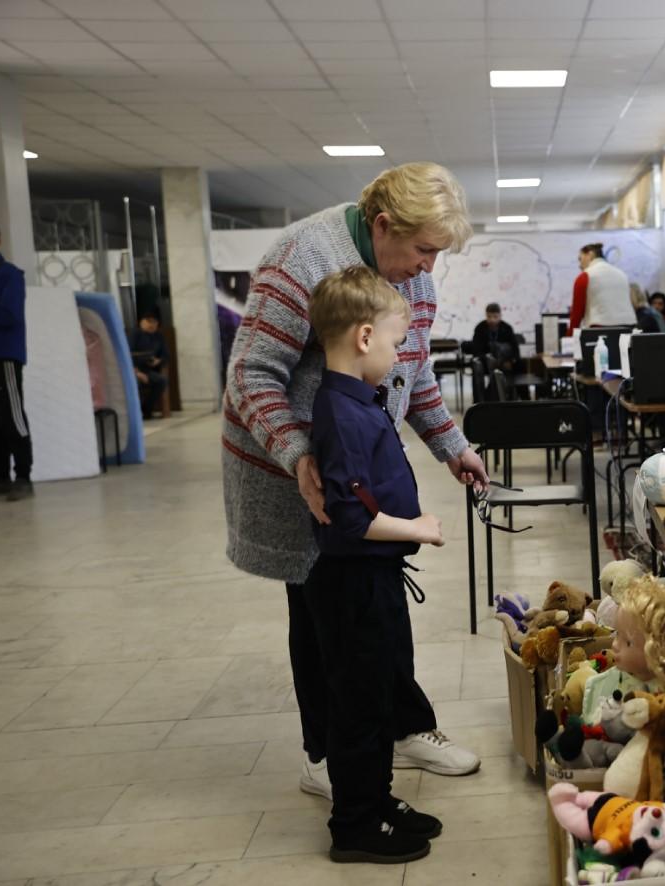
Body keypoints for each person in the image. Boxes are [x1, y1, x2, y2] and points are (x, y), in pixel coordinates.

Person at [222, 163, 489, 804]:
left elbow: (411, 369)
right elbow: (251, 375)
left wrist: (452, 444)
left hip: (359, 463)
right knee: (323, 615)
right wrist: (298, 458)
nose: (427, 268)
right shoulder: (302, 258)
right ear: (382, 225)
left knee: (377, 604)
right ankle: (327, 751)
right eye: (423, 249)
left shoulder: (409, 280)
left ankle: (403, 727)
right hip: (293, 466)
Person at [304, 266, 444, 864]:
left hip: (375, 578)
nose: (395, 356)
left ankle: (376, 798)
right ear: (364, 339)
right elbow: (351, 517)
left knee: (379, 695)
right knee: (359, 706)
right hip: (353, 582)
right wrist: (418, 528)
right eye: (392, 343)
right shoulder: (340, 413)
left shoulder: (358, 402)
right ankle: (354, 826)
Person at [0, 220, 32, 501]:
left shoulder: (8, 274)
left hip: (4, 355)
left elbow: (10, 315)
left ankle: (22, 476)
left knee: (11, 416)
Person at [568, 242, 635, 333]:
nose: (579, 265)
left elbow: (577, 313)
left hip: (600, 329)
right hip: (629, 328)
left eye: (580, 259)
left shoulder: (585, 276)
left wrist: (569, 338)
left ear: (590, 255)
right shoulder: (622, 274)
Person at [131, 308, 169, 419]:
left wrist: (159, 361)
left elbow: (166, 354)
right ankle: (136, 413)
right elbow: (128, 355)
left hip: (148, 371)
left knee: (162, 381)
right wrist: (137, 372)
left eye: (154, 322)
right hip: (134, 371)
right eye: (148, 321)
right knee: (136, 383)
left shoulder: (159, 336)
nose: (151, 324)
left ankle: (146, 409)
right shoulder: (135, 335)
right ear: (141, 322)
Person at [468, 302, 520, 372]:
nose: (492, 320)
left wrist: (511, 361)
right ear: (486, 316)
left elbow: (515, 348)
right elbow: (476, 349)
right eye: (489, 316)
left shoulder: (507, 328)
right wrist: (487, 358)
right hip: (485, 359)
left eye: (495, 317)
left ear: (500, 316)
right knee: (477, 363)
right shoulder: (480, 328)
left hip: (504, 359)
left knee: (517, 364)